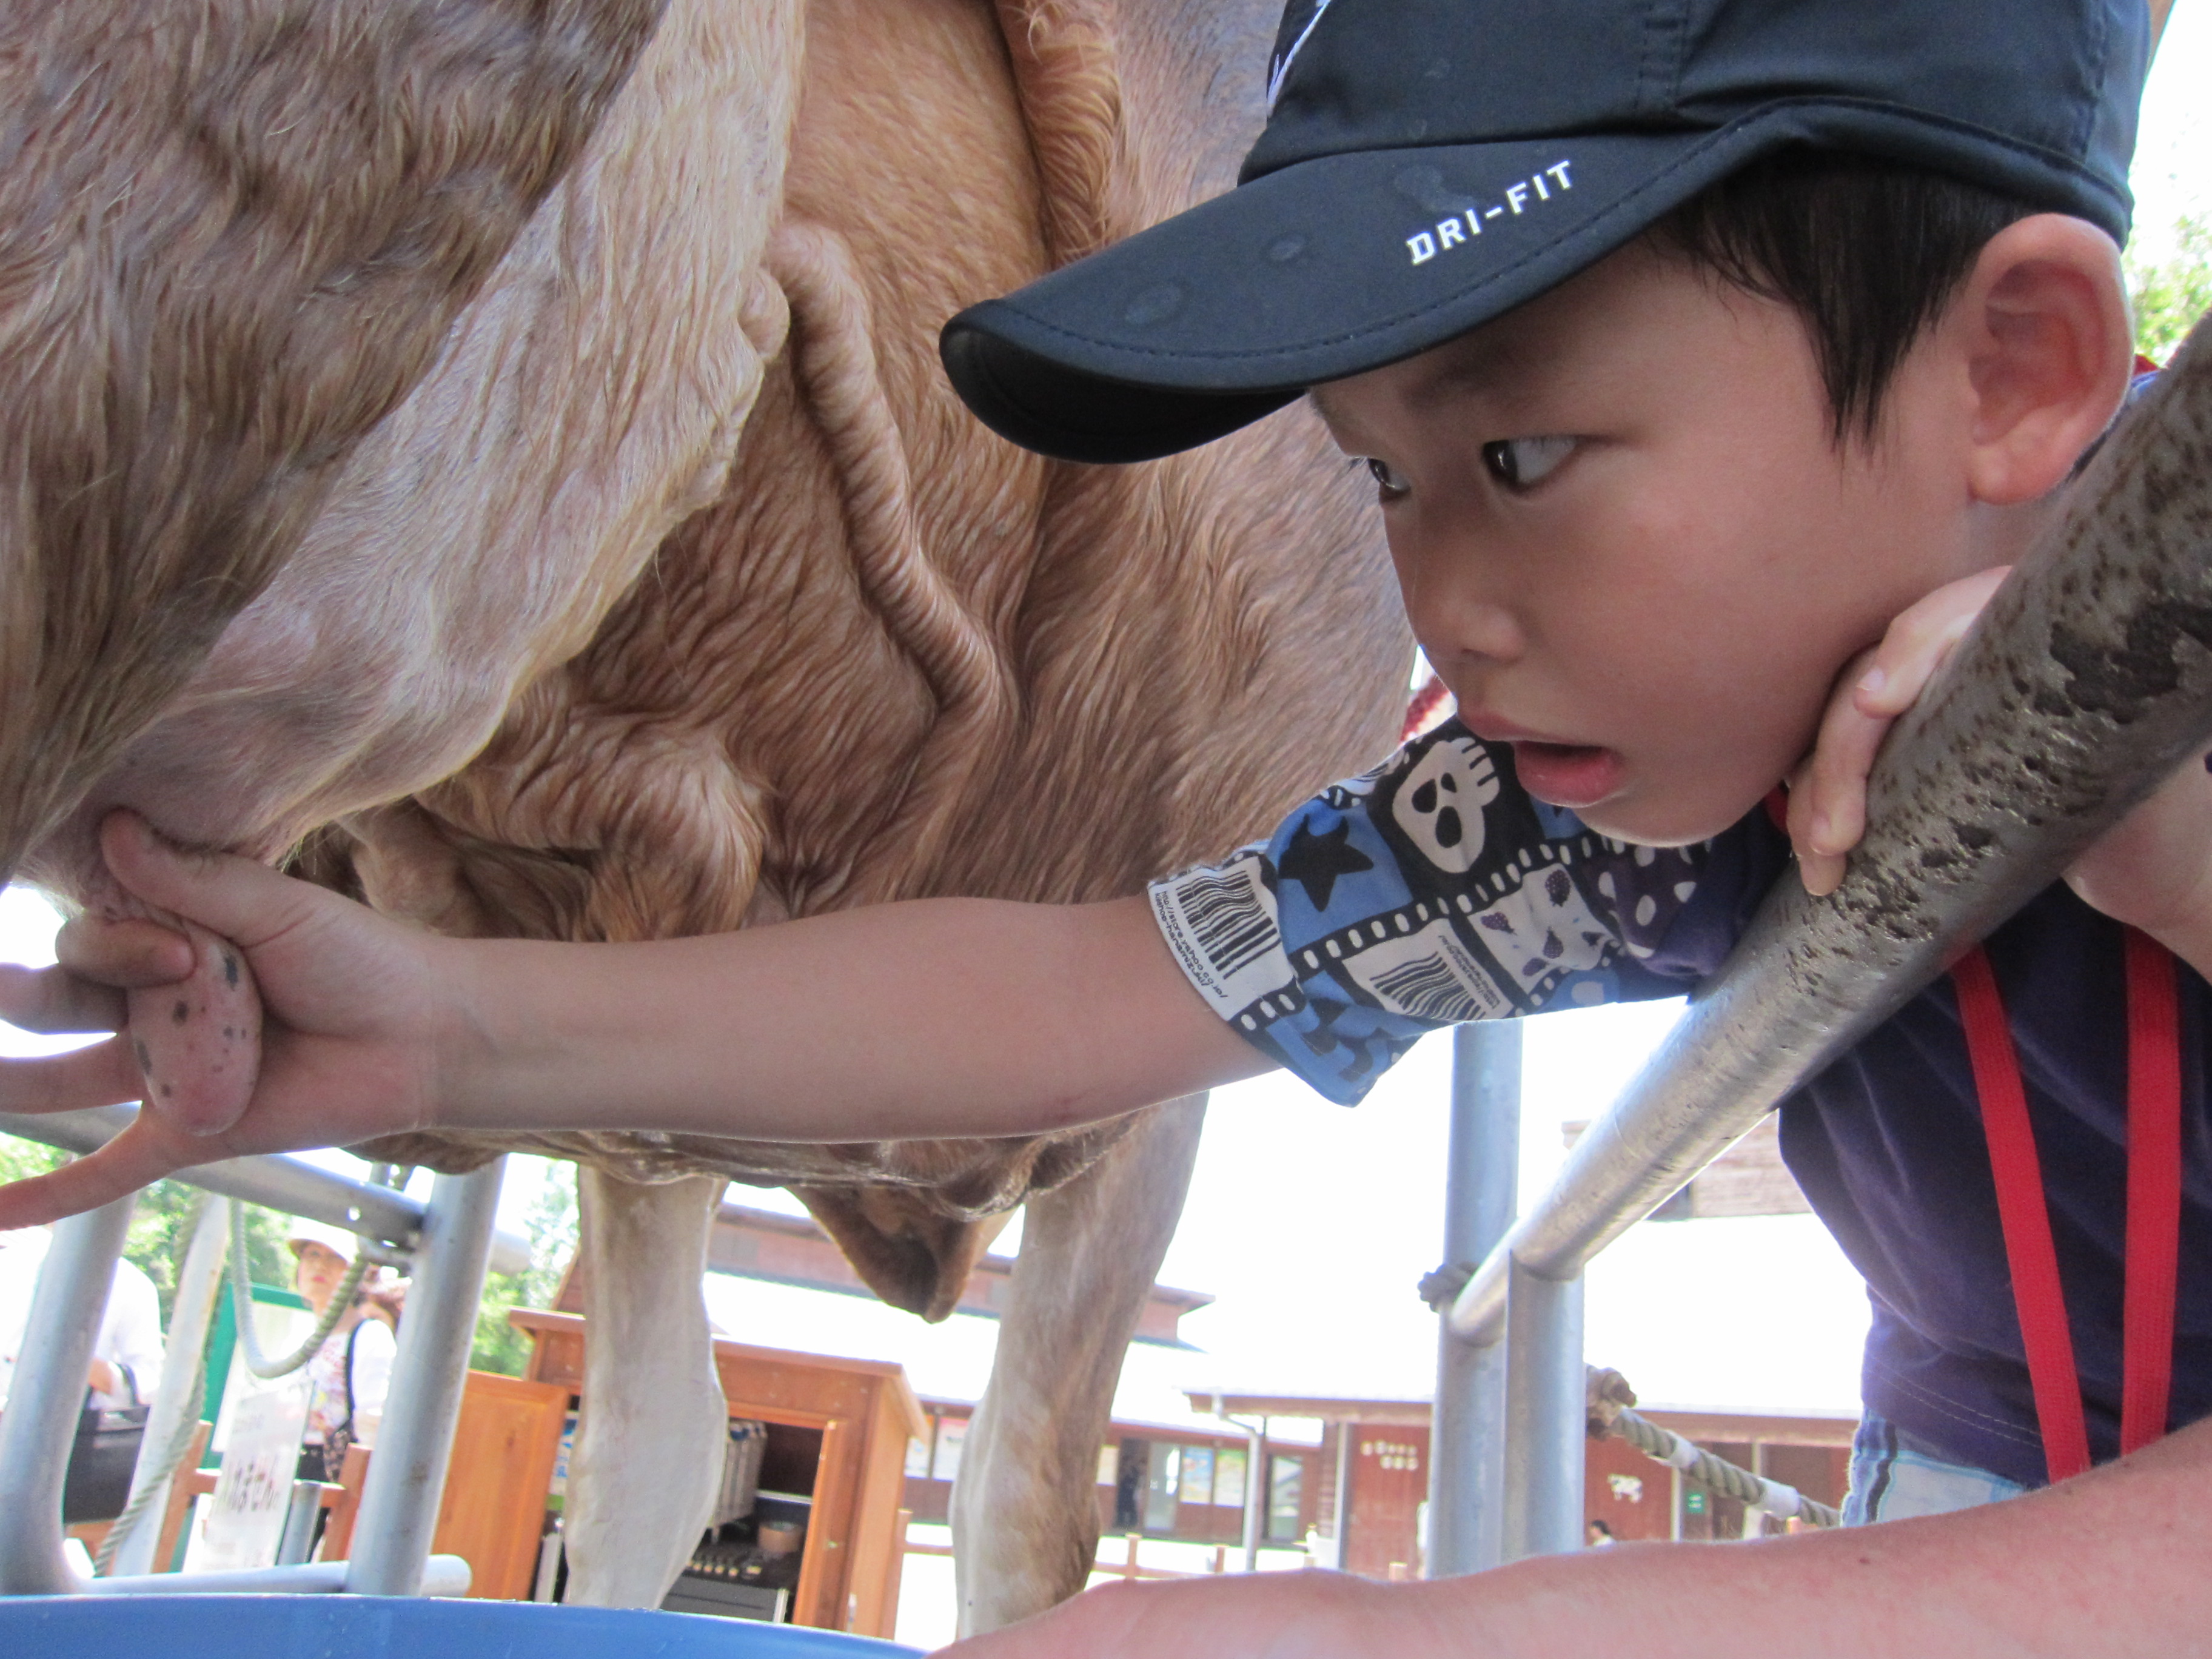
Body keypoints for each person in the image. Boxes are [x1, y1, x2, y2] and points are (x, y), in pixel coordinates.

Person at [0, 0, 2200, 1651]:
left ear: (2012, 370)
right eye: (1382, 478)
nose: (1442, 602)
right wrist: (454, 1025)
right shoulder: (1649, 787)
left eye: (1522, 458)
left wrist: (1386, 1633)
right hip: (1961, 1488)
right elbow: (1098, 978)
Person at [285, 1219, 397, 1484]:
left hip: (334, 1479)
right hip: (288, 1471)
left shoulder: (370, 1335)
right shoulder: (300, 1337)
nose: (320, 1266)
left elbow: (373, 1423)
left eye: (335, 1258)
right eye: (312, 1254)